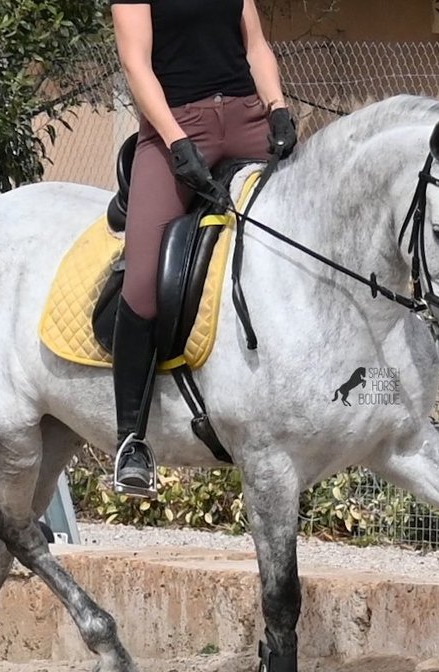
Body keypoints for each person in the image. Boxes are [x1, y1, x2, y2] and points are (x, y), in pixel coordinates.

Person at [109, 0, 298, 495]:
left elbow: (255, 46)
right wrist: (175, 142)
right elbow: (136, 64)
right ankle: (132, 438)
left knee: (304, 235)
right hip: (178, 126)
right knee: (144, 281)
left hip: (248, 118)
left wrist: (277, 106)